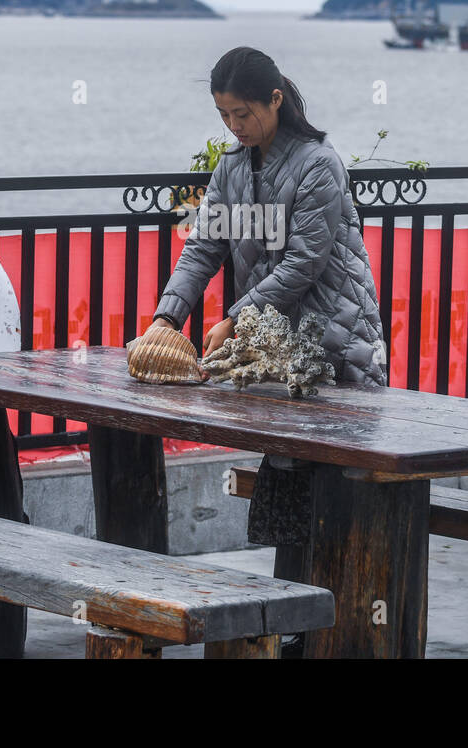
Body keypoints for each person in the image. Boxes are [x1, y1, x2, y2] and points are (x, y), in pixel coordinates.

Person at [140, 46, 387, 598]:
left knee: (335, 497)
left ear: (275, 100)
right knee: (295, 487)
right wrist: (166, 317)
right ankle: (296, 622)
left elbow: (305, 262)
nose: (235, 126)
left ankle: (338, 621)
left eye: (243, 114)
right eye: (224, 116)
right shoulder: (230, 167)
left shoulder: (319, 163)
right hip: (278, 351)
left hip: (338, 347)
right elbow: (203, 248)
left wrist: (234, 316)